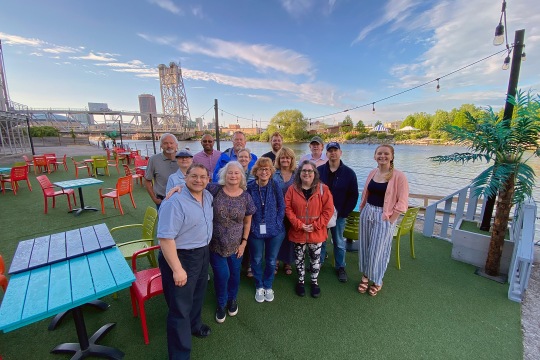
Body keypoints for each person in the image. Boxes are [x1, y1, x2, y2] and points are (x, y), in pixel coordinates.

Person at [157, 163, 214, 360]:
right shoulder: (174, 202)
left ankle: (194, 325)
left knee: (198, 295)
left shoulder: (208, 196)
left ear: (208, 180)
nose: (199, 180)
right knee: (180, 307)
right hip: (181, 256)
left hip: (202, 252)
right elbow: (165, 239)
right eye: (194, 176)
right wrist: (177, 269)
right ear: (185, 177)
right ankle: (179, 355)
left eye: (203, 177)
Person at [357, 144, 409, 297]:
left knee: (379, 249)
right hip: (368, 212)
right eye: (379, 153)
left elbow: (403, 201)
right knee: (366, 246)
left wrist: (392, 219)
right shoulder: (373, 172)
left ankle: (378, 280)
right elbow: (366, 192)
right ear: (375, 156)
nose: (382, 156)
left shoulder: (399, 176)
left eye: (386, 154)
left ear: (392, 157)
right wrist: (363, 209)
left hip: (384, 216)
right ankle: (366, 276)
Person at [208, 161, 256, 323]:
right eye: (230, 172)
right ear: (224, 175)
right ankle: (221, 303)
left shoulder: (246, 196)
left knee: (234, 275)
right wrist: (178, 188)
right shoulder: (214, 189)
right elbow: (195, 188)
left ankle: (232, 299)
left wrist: (244, 243)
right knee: (222, 275)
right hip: (216, 244)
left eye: (237, 173)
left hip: (237, 246)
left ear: (241, 176)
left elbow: (248, 222)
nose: (233, 176)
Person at [285, 160, 334, 298]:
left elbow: (328, 210)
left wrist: (315, 225)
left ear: (314, 173)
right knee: (299, 258)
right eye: (304, 171)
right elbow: (287, 209)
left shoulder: (324, 189)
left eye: (310, 171)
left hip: (316, 233)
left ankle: (314, 282)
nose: (306, 173)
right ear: (299, 173)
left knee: (315, 259)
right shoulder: (292, 189)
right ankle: (300, 281)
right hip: (298, 232)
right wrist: (299, 225)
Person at [318, 142, 359, 283]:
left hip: (339, 215)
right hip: (321, 214)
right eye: (330, 151)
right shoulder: (319, 171)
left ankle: (340, 266)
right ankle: (319, 262)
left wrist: (344, 212)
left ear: (340, 153)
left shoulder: (349, 173)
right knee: (320, 240)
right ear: (326, 154)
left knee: (339, 242)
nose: (333, 153)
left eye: (335, 150)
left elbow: (353, 195)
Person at [246, 157, 285, 302]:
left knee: (271, 260)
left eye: (267, 169)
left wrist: (277, 222)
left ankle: (268, 285)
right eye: (261, 169)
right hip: (255, 230)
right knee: (256, 259)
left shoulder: (275, 185)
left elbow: (282, 207)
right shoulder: (250, 187)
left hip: (275, 230)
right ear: (256, 171)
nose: (264, 172)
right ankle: (259, 285)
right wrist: (252, 226)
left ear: (271, 171)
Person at [273, 147, 297, 276]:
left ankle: (288, 262)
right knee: (277, 236)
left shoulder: (297, 173)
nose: (285, 160)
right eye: (282, 157)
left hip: (293, 211)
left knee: (290, 236)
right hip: (276, 210)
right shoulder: (273, 173)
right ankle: (275, 260)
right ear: (279, 159)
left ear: (291, 159)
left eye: (288, 157)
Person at [145, 133, 179, 209]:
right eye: (165, 143)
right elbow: (147, 180)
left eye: (171, 143)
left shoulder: (183, 159)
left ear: (176, 145)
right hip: (163, 199)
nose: (169, 146)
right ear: (161, 146)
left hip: (181, 199)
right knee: (164, 220)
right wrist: (154, 198)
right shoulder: (154, 159)